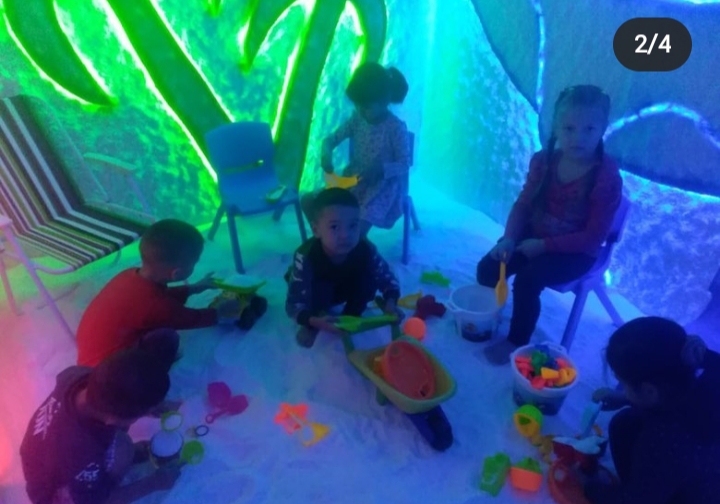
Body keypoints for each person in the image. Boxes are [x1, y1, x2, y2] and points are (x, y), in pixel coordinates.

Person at [476, 85, 623, 364]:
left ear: (603, 129)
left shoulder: (605, 177)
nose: (578, 138)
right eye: (569, 128)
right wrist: (509, 238)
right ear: (556, 127)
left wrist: (544, 246)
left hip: (577, 251)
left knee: (528, 280)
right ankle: (490, 313)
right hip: (535, 235)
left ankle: (516, 340)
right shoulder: (543, 162)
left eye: (589, 129)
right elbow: (523, 204)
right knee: (489, 268)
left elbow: (593, 238)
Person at [586, 317, 720, 503]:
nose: (623, 389)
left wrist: (588, 486)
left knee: (625, 425)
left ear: (649, 391)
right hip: (704, 472)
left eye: (624, 384)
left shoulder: (663, 439)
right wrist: (626, 397)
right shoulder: (707, 388)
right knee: (626, 422)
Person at [20, 348, 181, 504]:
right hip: (50, 493)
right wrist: (155, 482)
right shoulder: (81, 451)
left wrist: (148, 406)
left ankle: (120, 459)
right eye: (137, 416)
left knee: (120, 445)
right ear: (111, 419)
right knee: (122, 449)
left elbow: (121, 391)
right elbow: (97, 501)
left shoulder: (78, 376)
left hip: (51, 457)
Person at [76, 219, 240, 367]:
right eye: (193, 263)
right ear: (176, 273)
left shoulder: (130, 274)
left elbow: (159, 299)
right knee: (168, 337)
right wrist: (219, 312)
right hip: (108, 368)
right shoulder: (154, 305)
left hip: (90, 350)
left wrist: (194, 288)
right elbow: (188, 317)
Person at [302, 62, 411, 236]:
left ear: (383, 102)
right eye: (357, 104)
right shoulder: (357, 119)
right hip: (353, 181)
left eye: (366, 106)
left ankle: (347, 244)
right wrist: (326, 153)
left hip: (382, 189)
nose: (360, 110)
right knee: (308, 201)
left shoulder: (396, 128)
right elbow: (330, 140)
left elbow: (404, 163)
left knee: (355, 230)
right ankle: (327, 240)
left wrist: (381, 169)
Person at [286, 188, 401, 348]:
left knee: (369, 279)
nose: (345, 235)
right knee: (316, 290)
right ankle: (313, 323)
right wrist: (311, 320)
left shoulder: (366, 248)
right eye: (334, 227)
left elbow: (387, 278)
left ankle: (351, 315)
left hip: (345, 285)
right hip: (317, 289)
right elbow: (294, 303)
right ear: (316, 230)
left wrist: (391, 302)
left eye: (353, 225)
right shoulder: (304, 257)